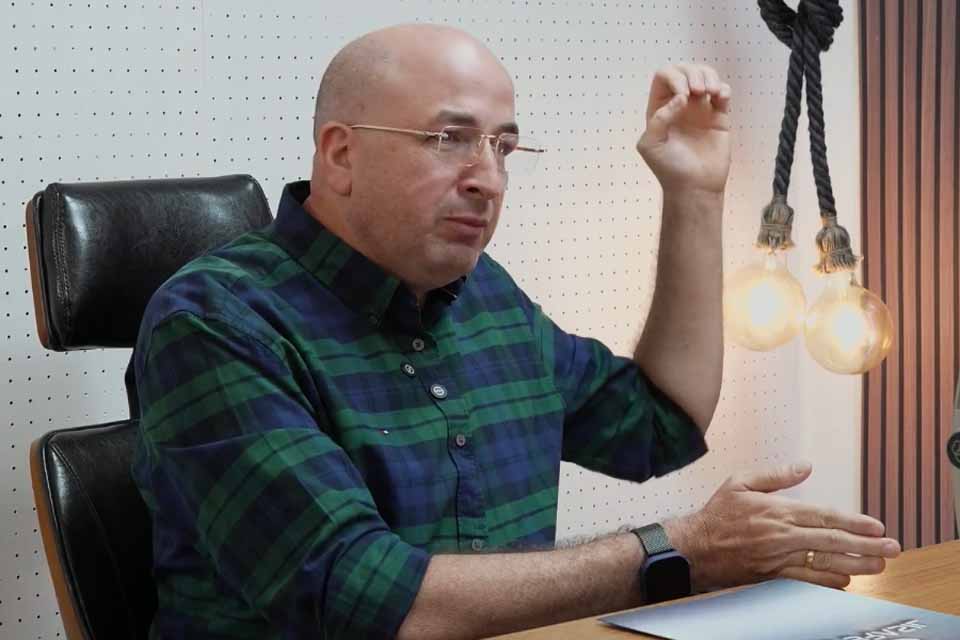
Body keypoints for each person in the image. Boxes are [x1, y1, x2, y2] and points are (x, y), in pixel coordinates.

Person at [131, 23, 900, 640]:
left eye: (502, 146)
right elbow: (369, 601)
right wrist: (682, 552)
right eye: (449, 138)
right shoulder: (215, 320)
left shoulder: (484, 296)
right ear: (341, 154)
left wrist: (693, 194)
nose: (488, 178)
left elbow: (658, 426)